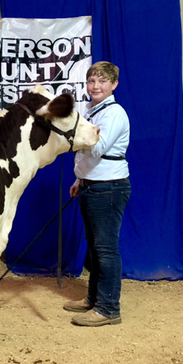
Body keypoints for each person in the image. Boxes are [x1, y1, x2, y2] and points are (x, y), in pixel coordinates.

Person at [63, 61, 131, 326]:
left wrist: (71, 135)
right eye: (91, 81)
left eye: (102, 81)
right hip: (92, 185)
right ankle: (94, 298)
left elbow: (98, 147)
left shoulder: (114, 113)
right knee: (94, 248)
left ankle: (109, 308)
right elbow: (86, 152)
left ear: (113, 84)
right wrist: (80, 179)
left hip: (109, 188)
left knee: (105, 249)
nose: (95, 86)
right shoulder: (93, 112)